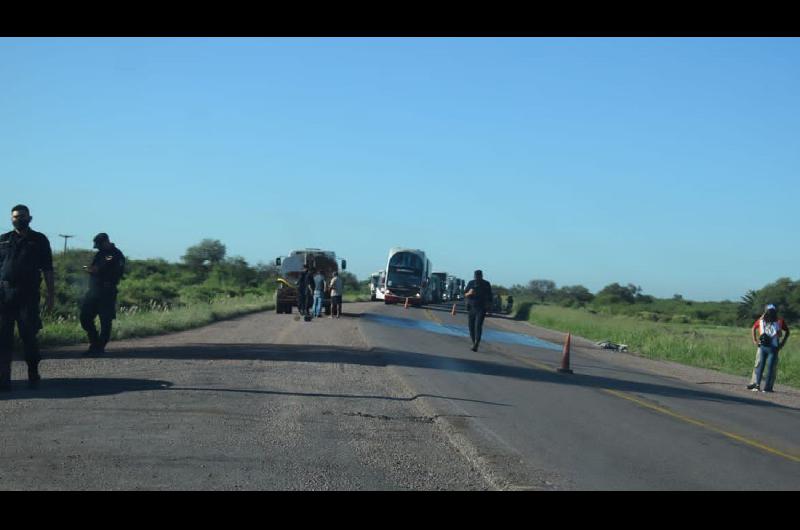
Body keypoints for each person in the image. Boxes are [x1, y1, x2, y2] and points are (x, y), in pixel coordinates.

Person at [0, 205, 55, 390]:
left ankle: (33, 371)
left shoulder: (39, 240)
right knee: (3, 338)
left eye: (22, 216)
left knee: (28, 336)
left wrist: (50, 295)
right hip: (5, 296)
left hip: (28, 295)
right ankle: (4, 379)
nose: (18, 219)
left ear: (29, 218)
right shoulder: (4, 240)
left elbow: (47, 268)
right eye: (15, 217)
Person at [80, 233, 125, 355]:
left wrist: (85, 268)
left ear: (105, 242)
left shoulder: (112, 254)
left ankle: (99, 347)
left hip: (106, 292)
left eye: (99, 245)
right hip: (94, 291)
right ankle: (95, 343)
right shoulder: (101, 253)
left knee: (105, 321)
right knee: (85, 317)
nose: (97, 247)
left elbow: (98, 268)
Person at [747, 304, 790, 393]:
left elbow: (758, 325)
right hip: (773, 347)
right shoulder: (777, 322)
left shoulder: (762, 321)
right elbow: (780, 334)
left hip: (763, 346)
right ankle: (767, 388)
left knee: (761, 366)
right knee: (769, 368)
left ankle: (757, 385)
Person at [464, 270, 492, 352]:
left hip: (481, 308)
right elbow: (465, 294)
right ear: (474, 276)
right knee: (471, 327)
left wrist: (489, 309)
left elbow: (490, 297)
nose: (477, 277)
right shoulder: (471, 283)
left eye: (479, 275)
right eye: (476, 276)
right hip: (471, 308)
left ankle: (476, 343)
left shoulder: (486, 284)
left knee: (478, 326)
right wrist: (469, 293)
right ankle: (473, 343)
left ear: (482, 276)